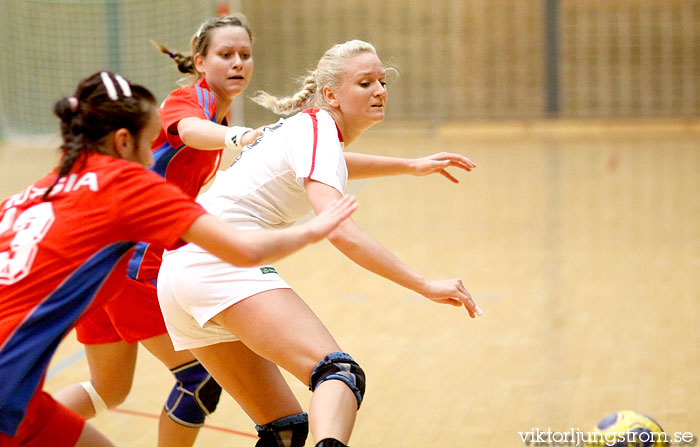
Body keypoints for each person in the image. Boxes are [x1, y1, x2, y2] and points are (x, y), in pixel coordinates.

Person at [54, 13, 478, 447]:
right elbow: (341, 231)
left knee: (283, 429)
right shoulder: (269, 119)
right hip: (193, 261)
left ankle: (26, 425)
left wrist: (410, 166)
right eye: (365, 83)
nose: (380, 91)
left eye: (382, 81)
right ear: (330, 94)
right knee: (338, 374)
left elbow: (329, 164)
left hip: (178, 276)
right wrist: (424, 284)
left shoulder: (307, 132)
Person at [0, 71, 357, 447]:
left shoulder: (31, 194)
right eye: (150, 140)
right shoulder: (127, 184)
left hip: (22, 397)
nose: (152, 152)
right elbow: (244, 250)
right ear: (124, 141)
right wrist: (317, 228)